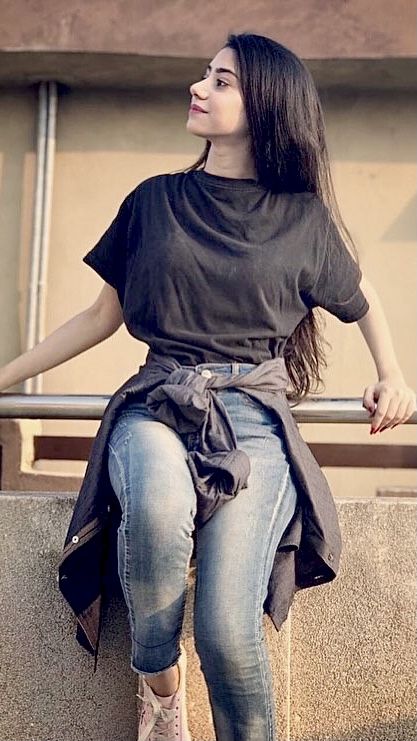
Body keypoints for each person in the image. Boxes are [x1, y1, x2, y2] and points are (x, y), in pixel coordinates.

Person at [0, 32, 415, 741]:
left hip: (254, 416)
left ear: (266, 106)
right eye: (204, 75)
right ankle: (160, 685)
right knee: (157, 513)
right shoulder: (154, 200)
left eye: (221, 81)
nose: (199, 87)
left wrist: (393, 374)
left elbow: (360, 292)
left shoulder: (302, 219)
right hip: (157, 401)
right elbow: (100, 316)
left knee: (227, 631)